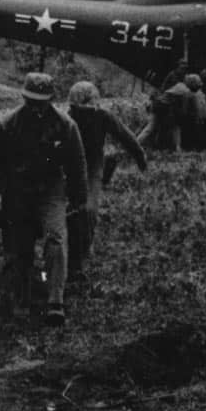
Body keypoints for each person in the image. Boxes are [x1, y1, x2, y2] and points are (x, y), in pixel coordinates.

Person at [0, 72, 87, 326]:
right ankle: (21, 297)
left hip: (51, 189)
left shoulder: (65, 125)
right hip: (17, 191)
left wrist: (79, 198)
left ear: (51, 99)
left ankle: (55, 300)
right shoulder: (9, 124)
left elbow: (77, 164)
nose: (35, 106)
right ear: (23, 97)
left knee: (55, 238)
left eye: (41, 101)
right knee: (20, 245)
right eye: (30, 100)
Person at [66, 81, 147, 286]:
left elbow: (125, 136)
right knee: (68, 211)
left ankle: (78, 261)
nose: (84, 114)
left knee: (89, 210)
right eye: (79, 110)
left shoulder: (104, 116)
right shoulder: (66, 118)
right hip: (69, 166)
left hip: (93, 165)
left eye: (88, 110)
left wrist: (140, 157)